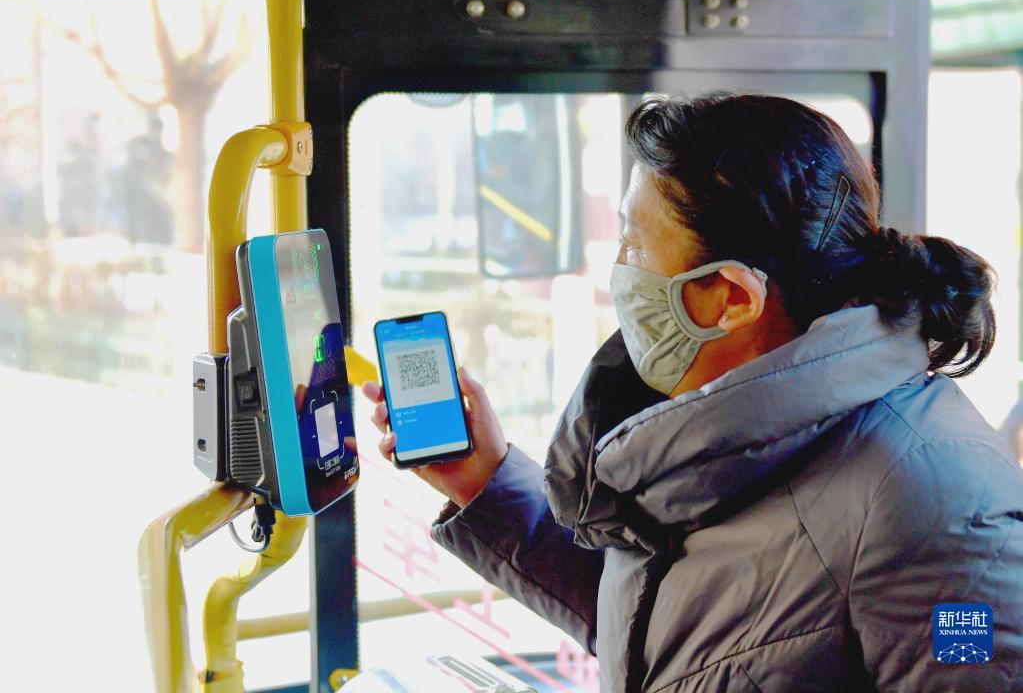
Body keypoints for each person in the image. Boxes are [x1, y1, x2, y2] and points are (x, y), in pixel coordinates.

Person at [361, 94, 1023, 692]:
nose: (619, 272)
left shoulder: (936, 510)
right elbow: (670, 630)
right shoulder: (711, 440)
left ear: (730, 298)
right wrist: (485, 483)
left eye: (634, 245)